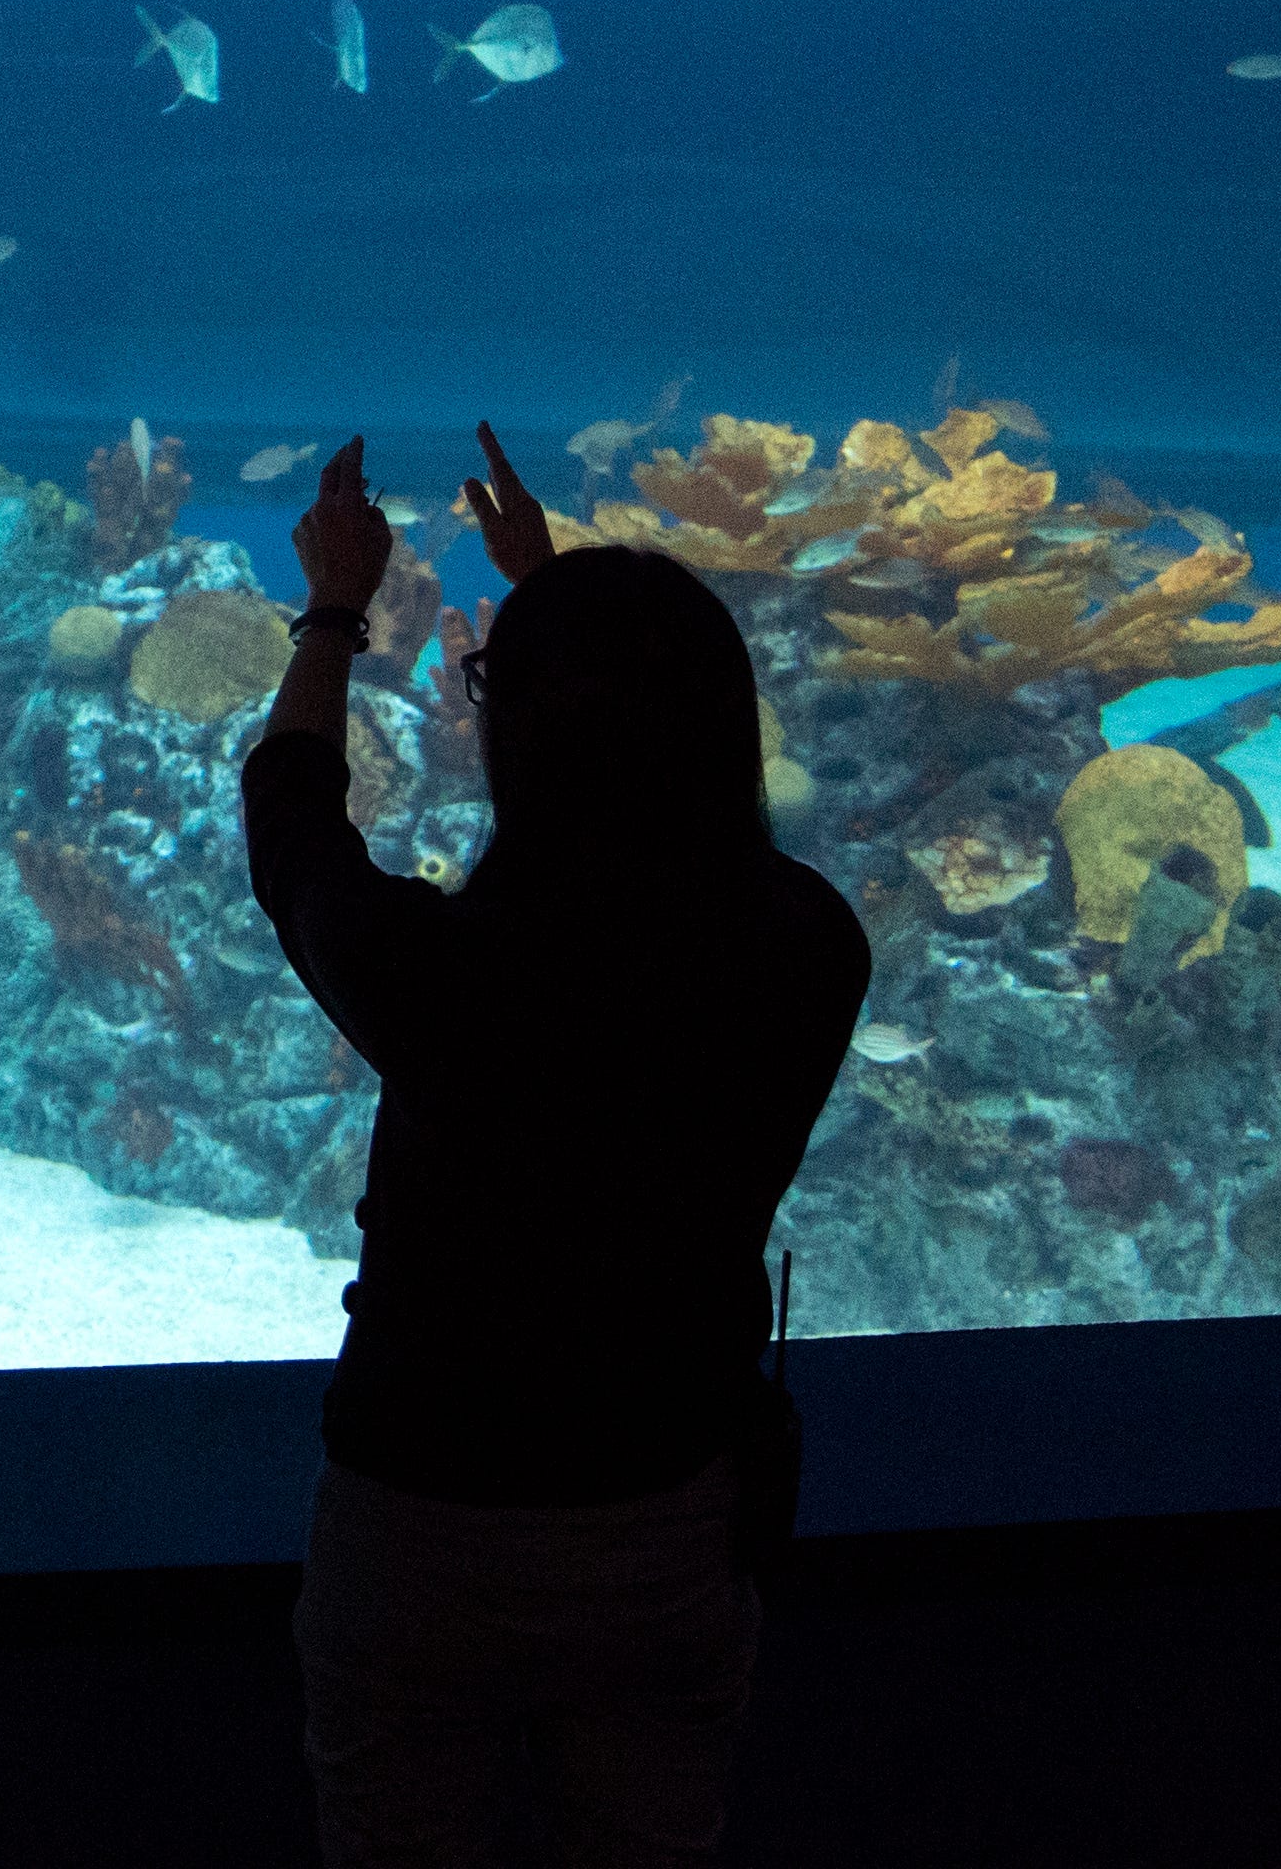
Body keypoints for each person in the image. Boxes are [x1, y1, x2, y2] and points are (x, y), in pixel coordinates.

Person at [242, 425, 872, 1865]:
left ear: (504, 722)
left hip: (422, 1525)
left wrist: (335, 614)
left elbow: (291, 827)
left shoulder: (450, 979)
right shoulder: (806, 945)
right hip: (668, 1513)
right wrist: (562, 603)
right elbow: (661, 809)